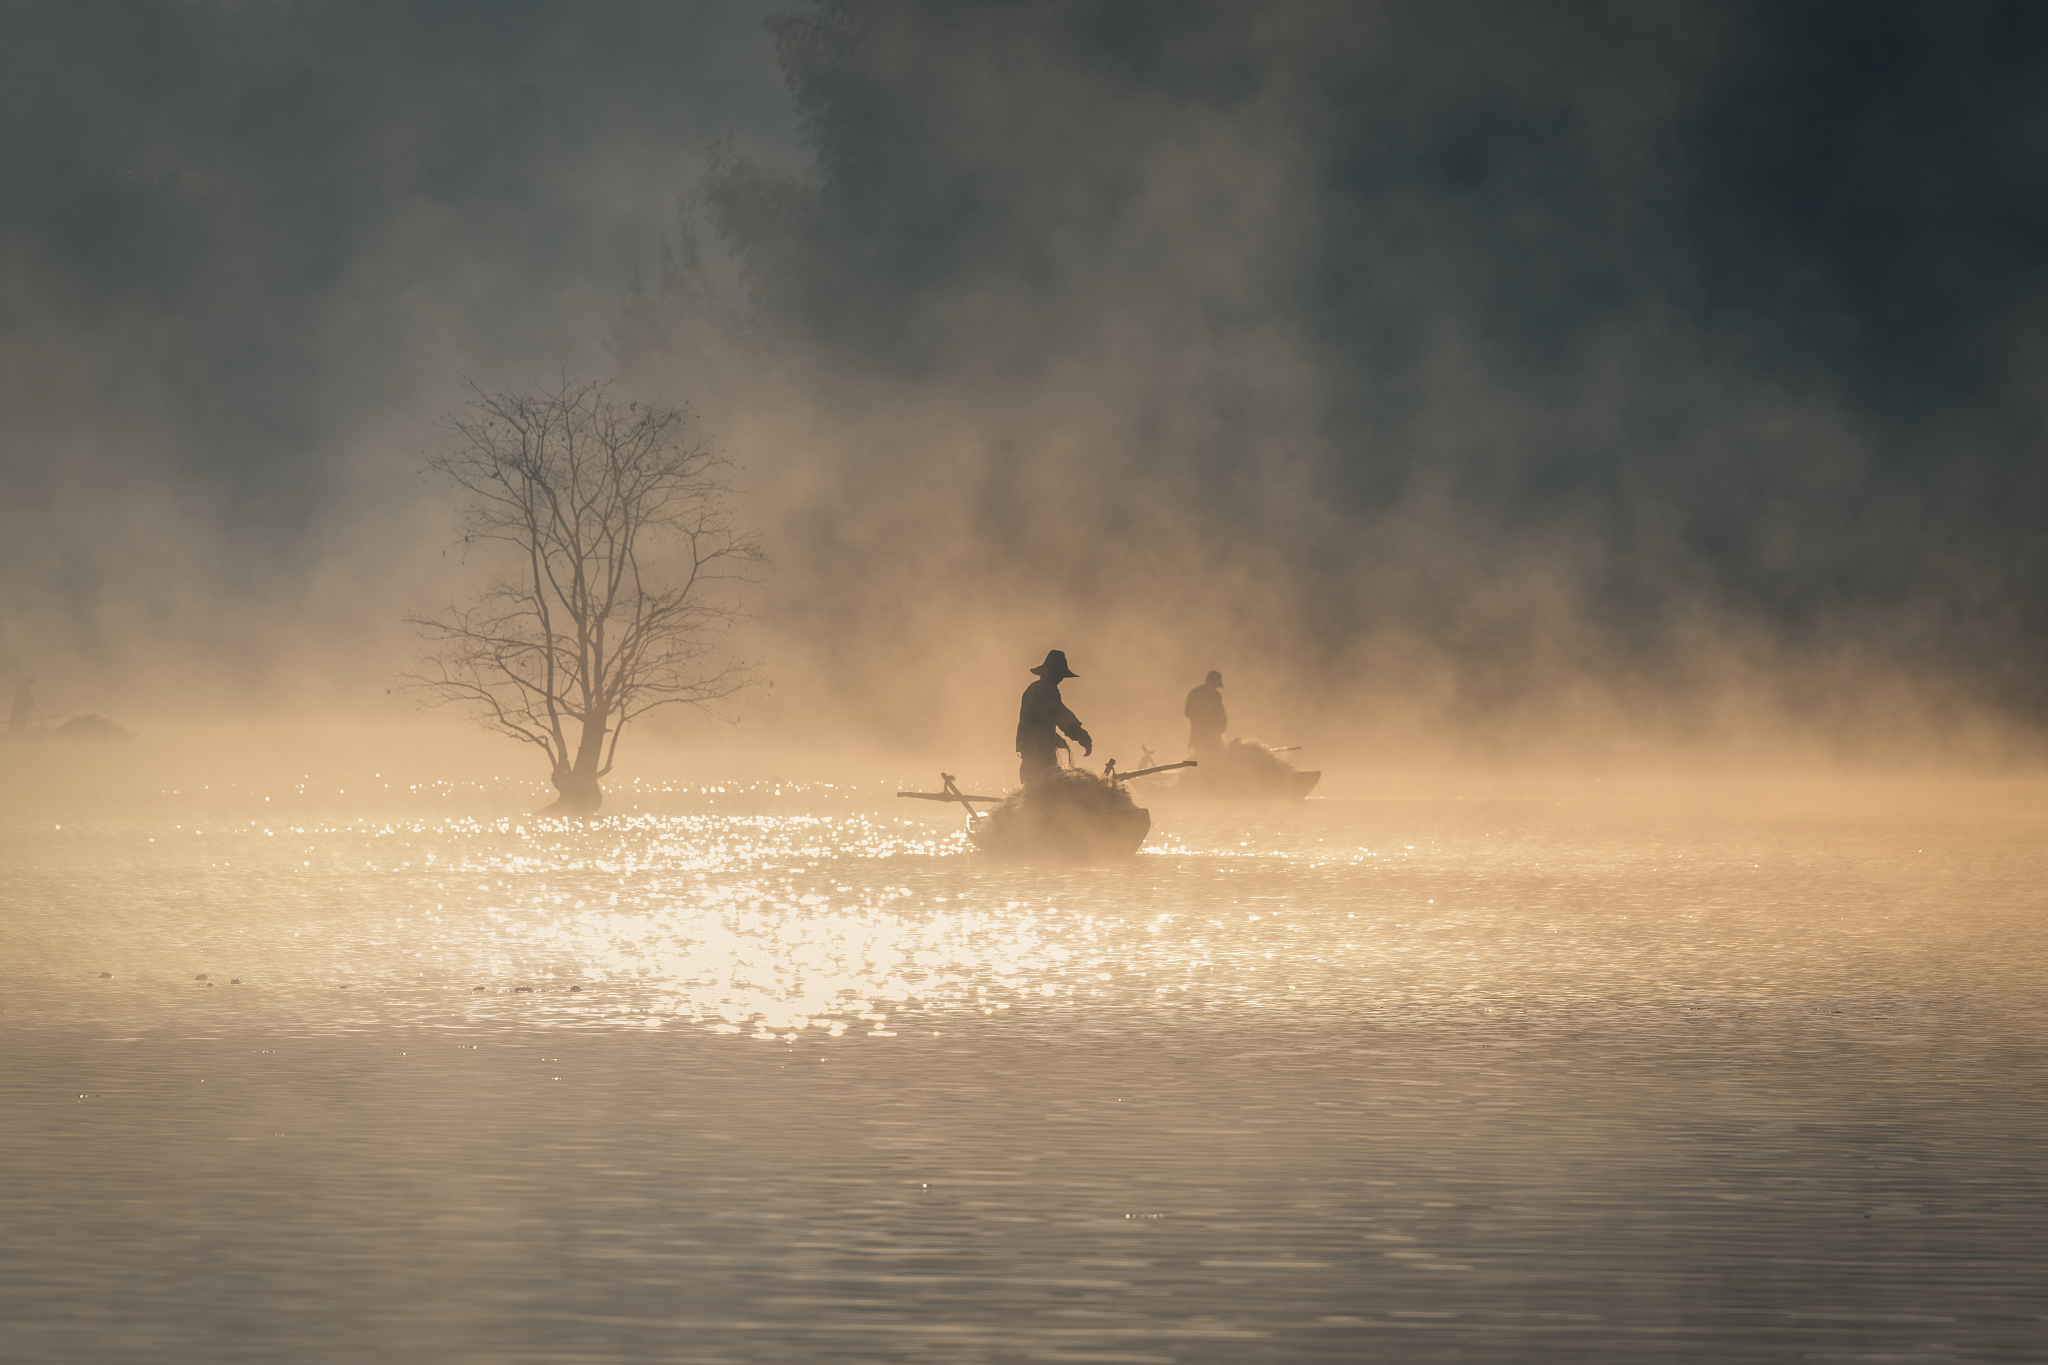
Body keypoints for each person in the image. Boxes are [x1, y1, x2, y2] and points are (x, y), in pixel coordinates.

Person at [1016, 650, 1092, 784]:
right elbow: (1060, 715)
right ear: (1054, 674)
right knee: (1043, 787)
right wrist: (1081, 736)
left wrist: (1055, 737)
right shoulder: (1047, 690)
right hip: (1039, 752)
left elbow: (1037, 720)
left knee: (1032, 788)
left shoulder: (1032, 689)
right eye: (1059, 674)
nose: (1060, 678)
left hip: (1028, 749)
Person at [1184, 670, 1226, 758]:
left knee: (1214, 759)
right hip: (1199, 735)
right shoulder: (1194, 694)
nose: (1213, 688)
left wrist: (1221, 727)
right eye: (1214, 685)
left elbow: (1221, 714)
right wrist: (1202, 719)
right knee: (1197, 758)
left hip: (1214, 736)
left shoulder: (1216, 696)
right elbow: (1188, 712)